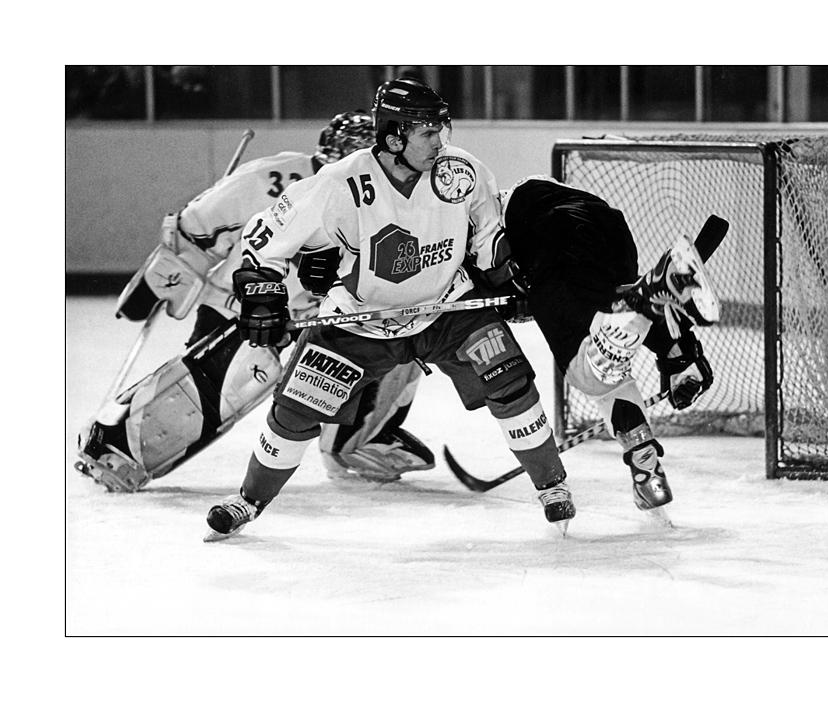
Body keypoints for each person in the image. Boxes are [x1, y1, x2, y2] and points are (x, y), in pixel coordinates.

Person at [204, 78, 575, 540]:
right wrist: (262, 290)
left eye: (442, 130)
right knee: (294, 413)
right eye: (427, 133)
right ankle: (248, 501)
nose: (440, 142)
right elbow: (265, 234)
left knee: (511, 381)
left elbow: (487, 235)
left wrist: (508, 279)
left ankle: (552, 486)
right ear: (394, 137)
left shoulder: (461, 173)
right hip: (361, 319)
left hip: (448, 309)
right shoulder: (341, 183)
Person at [75, 111, 432, 493]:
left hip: (325, 318)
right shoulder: (276, 177)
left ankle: (356, 440)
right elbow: (199, 223)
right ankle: (117, 448)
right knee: (202, 390)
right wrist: (164, 277)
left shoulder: (393, 200)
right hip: (245, 308)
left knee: (401, 342)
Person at [482, 175, 719, 511]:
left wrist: (505, 291)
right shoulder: (515, 191)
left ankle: (650, 295)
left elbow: (487, 260)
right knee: (608, 369)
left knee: (587, 371)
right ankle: (646, 465)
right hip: (607, 227)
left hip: (552, 236)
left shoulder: (464, 209)